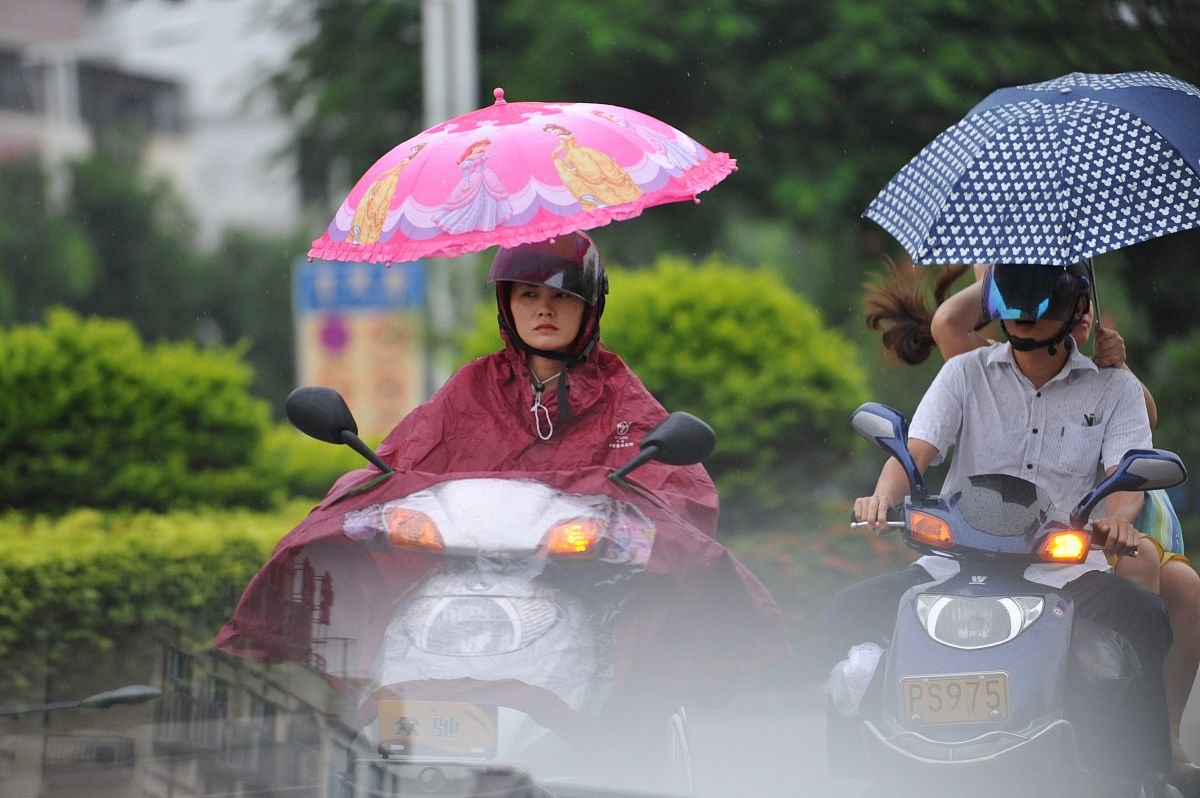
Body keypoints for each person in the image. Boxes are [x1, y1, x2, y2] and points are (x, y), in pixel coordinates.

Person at [830, 260, 1173, 790]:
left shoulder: (1115, 389)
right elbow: (914, 452)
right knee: (844, 612)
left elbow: (1125, 480)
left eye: (1041, 308)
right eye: (1011, 307)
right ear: (997, 308)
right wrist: (881, 497)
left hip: (1063, 570)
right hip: (955, 564)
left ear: (1079, 309)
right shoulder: (964, 372)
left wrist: (1118, 523)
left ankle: (1136, 775)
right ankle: (851, 777)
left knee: (1146, 617)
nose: (1024, 320)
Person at [372, 230, 718, 537]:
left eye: (564, 294)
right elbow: (395, 473)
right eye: (529, 294)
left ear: (591, 305)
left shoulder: (618, 391)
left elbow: (679, 501)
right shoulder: (473, 387)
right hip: (470, 581)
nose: (545, 309)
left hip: (592, 584)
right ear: (505, 304)